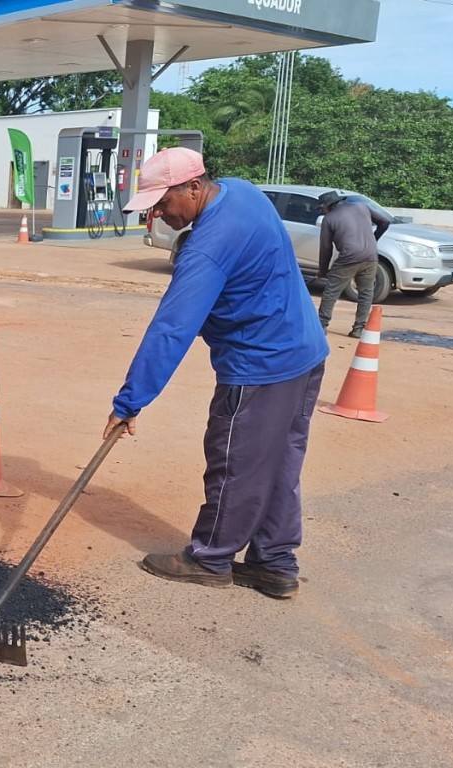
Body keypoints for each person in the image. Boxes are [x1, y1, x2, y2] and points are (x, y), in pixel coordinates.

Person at [106, 147, 329, 600]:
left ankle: (209, 558)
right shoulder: (243, 193)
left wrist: (129, 401)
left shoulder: (206, 249)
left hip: (260, 367)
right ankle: (274, 562)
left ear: (193, 186)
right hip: (304, 353)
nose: (159, 216)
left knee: (236, 463)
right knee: (279, 464)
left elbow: (171, 329)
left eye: (163, 204)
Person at [316, 190, 390, 338]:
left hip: (348, 258)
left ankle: (321, 326)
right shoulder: (362, 207)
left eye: (322, 208)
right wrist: (373, 240)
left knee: (331, 293)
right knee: (366, 293)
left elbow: (326, 248)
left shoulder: (329, 219)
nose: (322, 211)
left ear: (329, 206)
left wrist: (323, 271)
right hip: (370, 256)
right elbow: (385, 222)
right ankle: (359, 329)